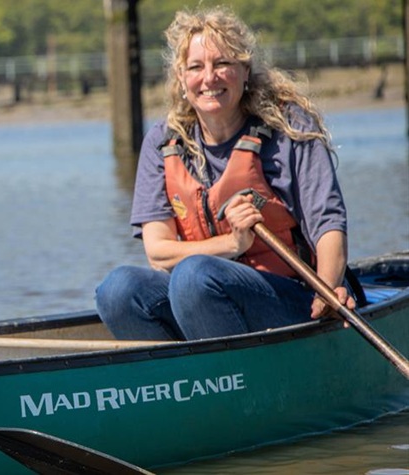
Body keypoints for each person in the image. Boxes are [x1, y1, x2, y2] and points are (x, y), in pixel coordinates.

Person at [96, 6, 356, 341]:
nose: (209, 78)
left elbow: (329, 224)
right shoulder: (162, 142)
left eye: (222, 64)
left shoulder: (289, 129)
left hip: (294, 297)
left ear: (245, 71)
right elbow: (159, 252)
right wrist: (231, 243)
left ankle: (239, 377)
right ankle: (188, 380)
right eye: (195, 67)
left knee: (193, 277)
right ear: (180, 78)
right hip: (202, 295)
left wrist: (329, 290)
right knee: (118, 290)